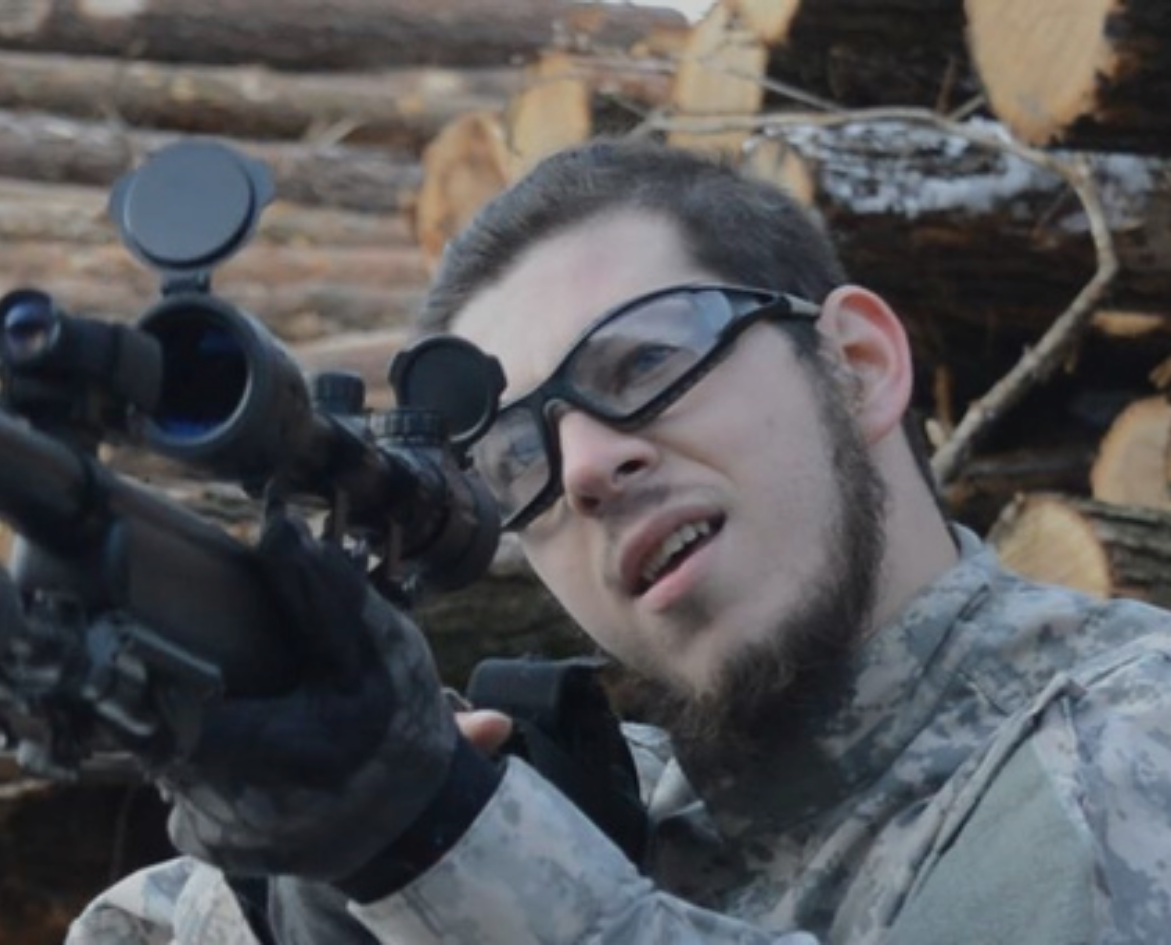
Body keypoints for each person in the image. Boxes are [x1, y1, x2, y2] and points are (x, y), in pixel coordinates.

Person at [68, 140, 1171, 942]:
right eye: (516, 457)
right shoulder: (600, 812)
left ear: (858, 366)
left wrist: (438, 849)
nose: (588, 465)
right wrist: (311, 893)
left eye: (645, 363)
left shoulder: (1130, 739)